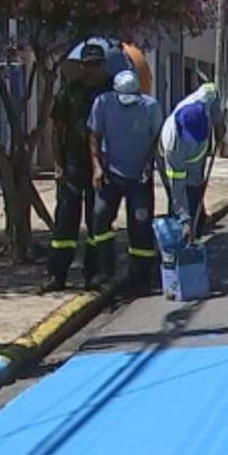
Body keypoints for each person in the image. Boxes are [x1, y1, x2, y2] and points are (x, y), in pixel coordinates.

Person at [88, 68, 165, 291]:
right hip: (110, 174)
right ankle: (104, 269)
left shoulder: (150, 107)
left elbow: (156, 139)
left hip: (139, 177)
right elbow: (94, 135)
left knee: (140, 224)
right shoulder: (103, 103)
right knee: (100, 217)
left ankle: (141, 275)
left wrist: (148, 164)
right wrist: (96, 167)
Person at [43, 43, 111, 292]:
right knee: (65, 222)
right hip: (73, 165)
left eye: (96, 64)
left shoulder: (109, 92)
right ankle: (56, 275)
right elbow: (56, 130)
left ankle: (93, 275)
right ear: (81, 66)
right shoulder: (69, 92)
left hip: (100, 167)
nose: (91, 69)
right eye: (88, 64)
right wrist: (58, 165)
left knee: (97, 223)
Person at [160, 82, 222, 237]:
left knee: (194, 190)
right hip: (170, 158)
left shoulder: (206, 102)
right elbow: (178, 185)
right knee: (176, 195)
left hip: (195, 158)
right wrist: (184, 219)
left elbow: (212, 90)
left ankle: (195, 235)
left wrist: (222, 139)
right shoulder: (172, 143)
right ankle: (177, 235)